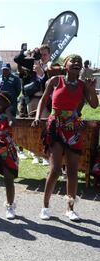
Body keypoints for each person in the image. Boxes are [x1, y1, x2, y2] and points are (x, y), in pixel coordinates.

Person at [31, 54, 98, 221]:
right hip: (55, 126)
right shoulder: (56, 81)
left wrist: (90, 89)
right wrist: (38, 117)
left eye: (79, 62)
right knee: (54, 170)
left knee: (72, 171)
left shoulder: (83, 85)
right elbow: (43, 99)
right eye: (73, 61)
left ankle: (70, 208)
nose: (76, 64)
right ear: (66, 65)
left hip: (73, 128)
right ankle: (45, 207)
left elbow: (95, 104)